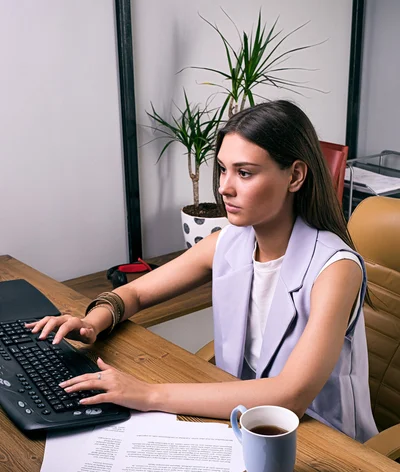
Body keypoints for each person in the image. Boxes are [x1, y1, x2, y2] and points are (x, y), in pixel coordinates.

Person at [26, 100, 378, 442]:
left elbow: (290, 396)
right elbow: (135, 292)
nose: (225, 186)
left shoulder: (336, 269)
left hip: (323, 441)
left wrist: (147, 395)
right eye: (223, 169)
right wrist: (93, 321)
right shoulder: (229, 242)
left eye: (244, 173)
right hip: (242, 419)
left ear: (295, 176)